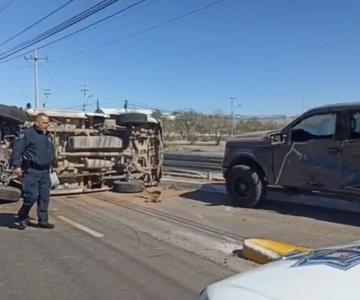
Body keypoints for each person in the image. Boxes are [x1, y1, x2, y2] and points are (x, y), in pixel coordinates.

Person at [11, 113, 57, 230]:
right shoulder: (27, 134)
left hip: (45, 171)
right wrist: (16, 166)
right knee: (31, 196)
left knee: (44, 197)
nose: (46, 125)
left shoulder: (47, 136)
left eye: (47, 123)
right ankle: (22, 216)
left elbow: (51, 151)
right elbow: (17, 150)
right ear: (37, 123)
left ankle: (43, 220)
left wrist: (54, 163)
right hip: (31, 171)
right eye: (44, 123)